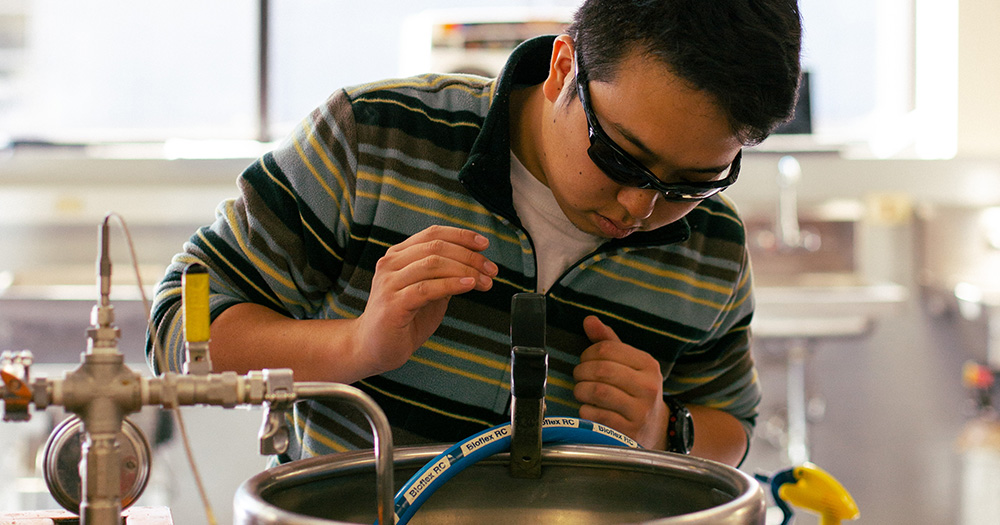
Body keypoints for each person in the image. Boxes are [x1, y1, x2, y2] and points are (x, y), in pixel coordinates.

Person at [147, 0, 802, 467]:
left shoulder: (710, 246)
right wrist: (355, 344)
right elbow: (181, 326)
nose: (639, 204)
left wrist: (664, 428)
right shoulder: (374, 139)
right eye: (621, 156)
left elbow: (732, 426)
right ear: (563, 68)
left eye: (689, 183)